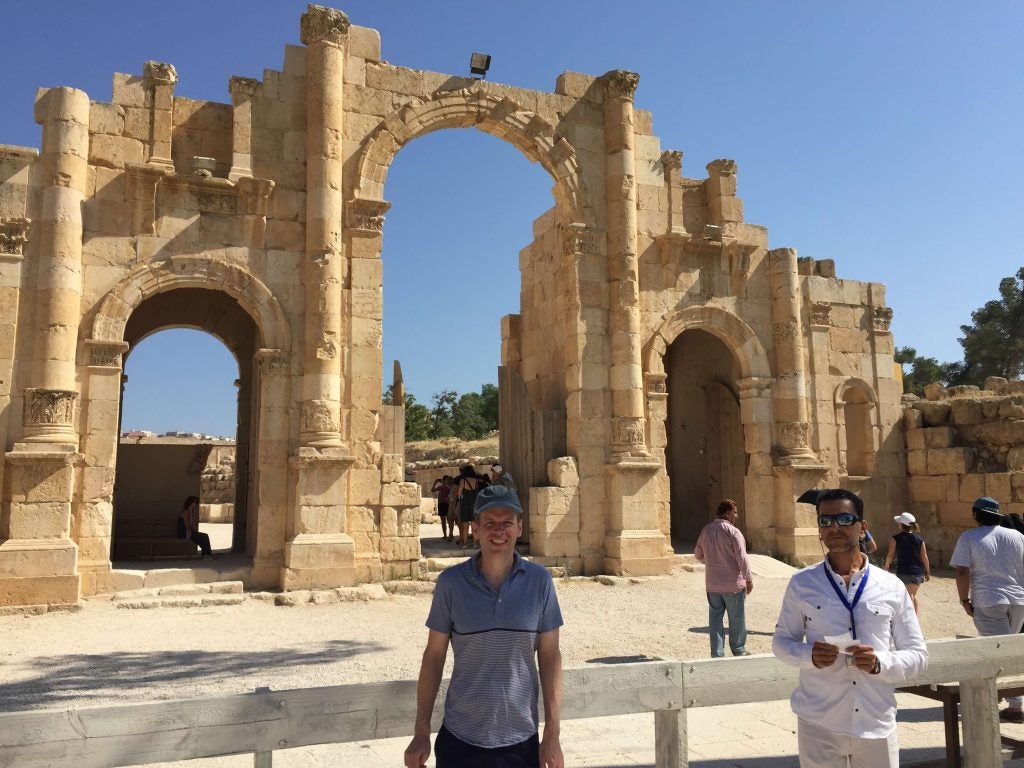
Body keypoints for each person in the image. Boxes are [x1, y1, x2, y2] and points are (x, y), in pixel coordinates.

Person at [404, 484, 564, 768]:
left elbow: (550, 656)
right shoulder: (451, 584)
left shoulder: (540, 582)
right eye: (490, 523)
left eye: (507, 523)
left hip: (521, 741)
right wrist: (420, 733)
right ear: (475, 529)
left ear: (519, 528)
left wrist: (552, 735)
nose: (498, 531)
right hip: (460, 739)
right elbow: (434, 657)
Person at [773, 488, 927, 767]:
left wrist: (880, 662)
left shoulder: (891, 586)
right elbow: (782, 641)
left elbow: (918, 654)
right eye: (825, 521)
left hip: (875, 722)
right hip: (819, 721)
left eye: (844, 519)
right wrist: (809, 655)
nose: (834, 528)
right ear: (819, 530)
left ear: (862, 527)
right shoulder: (802, 583)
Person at [950, 495, 1024, 723]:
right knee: (1009, 648)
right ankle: (1006, 700)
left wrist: (964, 600)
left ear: (975, 514)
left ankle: (1012, 706)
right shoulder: (1017, 536)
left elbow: (962, 571)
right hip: (1019, 600)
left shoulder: (969, 537)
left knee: (997, 653)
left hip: (988, 599)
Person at [693, 499, 753, 658]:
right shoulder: (734, 532)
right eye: (735, 512)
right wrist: (748, 578)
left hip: (713, 585)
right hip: (733, 585)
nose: (736, 516)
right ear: (728, 513)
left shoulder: (706, 530)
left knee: (715, 621)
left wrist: (711, 561)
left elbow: (697, 554)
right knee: (737, 620)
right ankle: (738, 650)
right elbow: (742, 558)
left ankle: (717, 653)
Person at [883, 512, 930, 613]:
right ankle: (915, 619)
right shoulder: (919, 539)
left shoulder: (895, 538)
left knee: (909, 596)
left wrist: (886, 566)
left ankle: (911, 621)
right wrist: (927, 571)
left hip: (904, 571)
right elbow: (924, 557)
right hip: (918, 572)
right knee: (913, 595)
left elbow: (890, 554)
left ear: (901, 525)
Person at [177, 495, 214, 560]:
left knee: (203, 536)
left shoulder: (191, 511)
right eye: (194, 502)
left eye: (196, 502)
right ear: (190, 502)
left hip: (188, 531)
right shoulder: (186, 512)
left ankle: (207, 554)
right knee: (203, 536)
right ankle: (206, 555)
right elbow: (186, 525)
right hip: (183, 532)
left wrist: (194, 532)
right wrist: (193, 532)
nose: (195, 504)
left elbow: (191, 524)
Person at [455, 465, 480, 549]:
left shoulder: (463, 480)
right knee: (474, 525)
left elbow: (459, 494)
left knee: (465, 525)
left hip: (465, 504)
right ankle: (475, 544)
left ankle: (465, 544)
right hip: (474, 504)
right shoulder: (476, 481)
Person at [431, 475, 453, 542]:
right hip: (444, 504)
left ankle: (448, 535)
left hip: (445, 504)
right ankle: (448, 535)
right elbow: (432, 490)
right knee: (447, 521)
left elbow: (432, 490)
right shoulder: (446, 487)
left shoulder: (443, 487)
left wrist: (435, 483)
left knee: (447, 521)